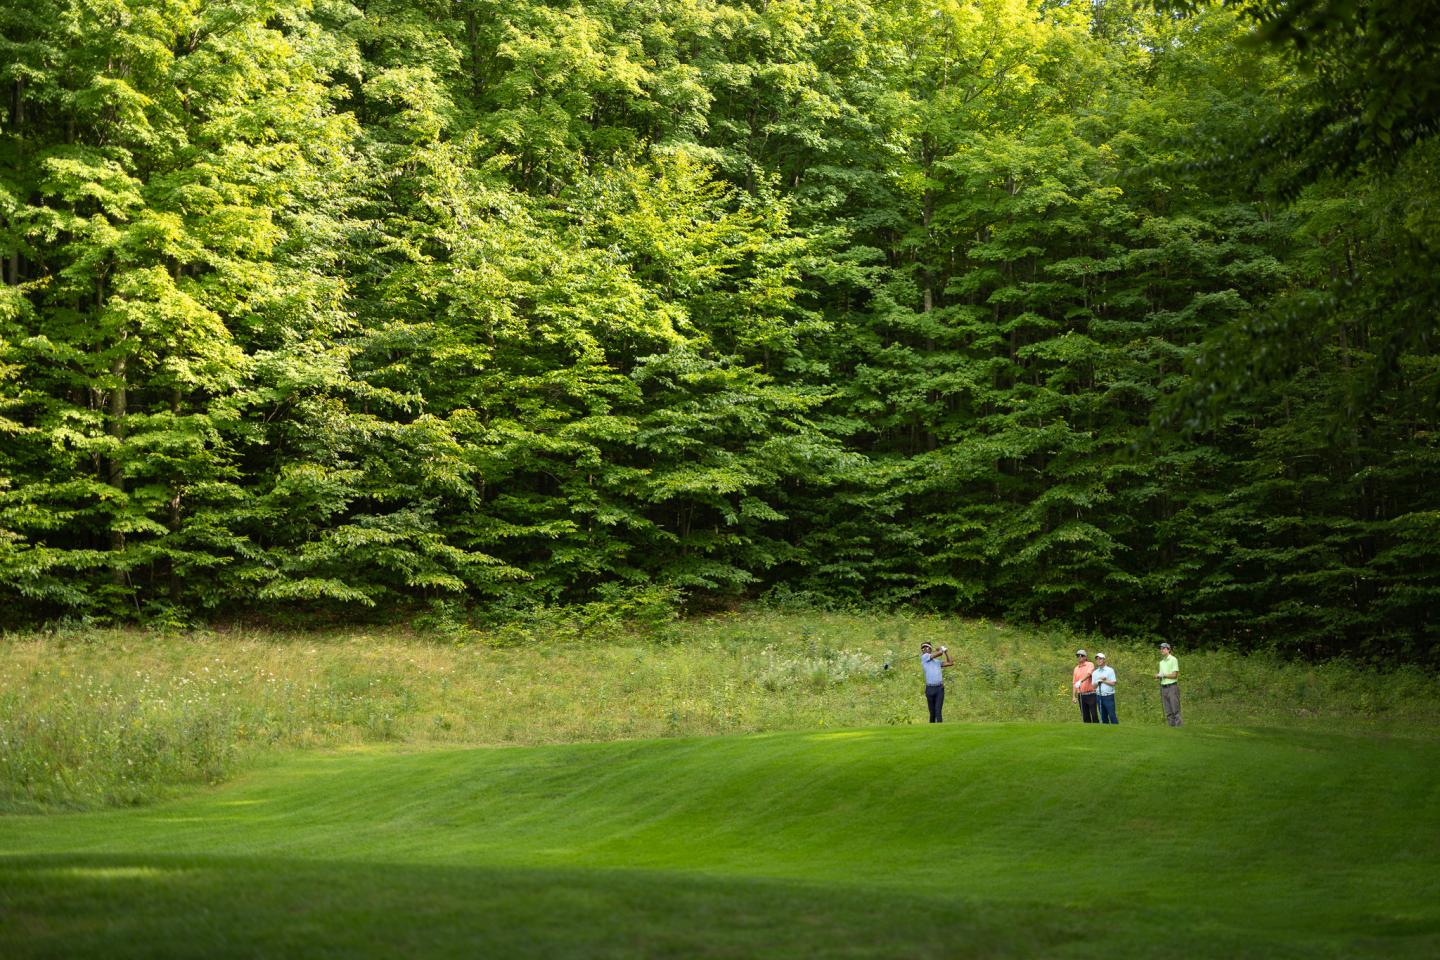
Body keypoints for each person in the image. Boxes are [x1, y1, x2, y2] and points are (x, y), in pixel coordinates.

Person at [919, 641, 953, 723]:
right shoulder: (924, 657)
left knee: (938, 712)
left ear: (930, 649)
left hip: (939, 689)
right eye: (923, 648)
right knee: (932, 713)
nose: (924, 649)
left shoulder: (937, 662)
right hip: (929, 689)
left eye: (926, 647)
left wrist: (946, 652)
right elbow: (939, 653)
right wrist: (941, 650)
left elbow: (950, 663)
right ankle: (931, 732)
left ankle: (941, 732)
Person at [1155, 641, 1181, 726]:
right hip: (1163, 687)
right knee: (1168, 711)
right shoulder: (1161, 662)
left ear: (1168, 649)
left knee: (1175, 709)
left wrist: (1164, 675)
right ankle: (1171, 730)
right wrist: (1158, 676)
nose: (1161, 650)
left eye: (1163, 648)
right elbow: (1162, 675)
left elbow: (1174, 675)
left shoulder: (1173, 659)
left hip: (1172, 687)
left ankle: (1179, 729)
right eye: (1160, 648)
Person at [1072, 649, 1098, 723]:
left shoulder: (1090, 664)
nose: (1079, 657)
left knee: (1094, 715)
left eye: (1082, 655)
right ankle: (1088, 732)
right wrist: (1074, 696)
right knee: (1085, 716)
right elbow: (1074, 683)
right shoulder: (1076, 669)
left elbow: (1089, 674)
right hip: (1081, 695)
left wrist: (1080, 681)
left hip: (1091, 694)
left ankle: (1097, 731)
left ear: (1085, 657)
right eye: (1078, 655)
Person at [1092, 652, 1118, 724]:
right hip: (1099, 696)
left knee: (1112, 715)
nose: (1098, 660)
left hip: (1108, 696)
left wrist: (1104, 680)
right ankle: (1106, 732)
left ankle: (1116, 730)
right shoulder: (1095, 672)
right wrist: (1097, 682)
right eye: (1097, 659)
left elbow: (1113, 683)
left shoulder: (1110, 670)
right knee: (1103, 716)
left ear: (1104, 660)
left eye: (1100, 659)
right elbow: (1093, 686)